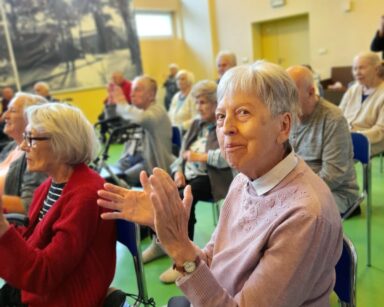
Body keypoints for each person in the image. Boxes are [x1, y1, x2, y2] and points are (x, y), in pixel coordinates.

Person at [97, 61, 343, 306]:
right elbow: (213, 261)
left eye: (243, 112)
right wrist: (167, 228)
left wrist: (179, 247)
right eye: (221, 116)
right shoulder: (243, 181)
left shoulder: (305, 215)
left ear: (284, 126)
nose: (226, 128)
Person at [0, 103, 116, 306]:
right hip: (43, 287)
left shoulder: (86, 195)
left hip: (64, 297)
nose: (23, 146)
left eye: (31, 138)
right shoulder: (50, 184)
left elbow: (44, 275)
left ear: (62, 142)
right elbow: (31, 239)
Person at [149, 80, 234, 284]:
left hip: (211, 178)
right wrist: (178, 171)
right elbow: (181, 154)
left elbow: (227, 158)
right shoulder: (196, 124)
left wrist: (200, 157)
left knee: (183, 199)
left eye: (203, 102)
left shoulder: (223, 123)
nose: (198, 107)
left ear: (215, 103)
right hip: (188, 175)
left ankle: (183, 260)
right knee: (158, 193)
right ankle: (160, 243)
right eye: (196, 103)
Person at [287, 66, 360, 215]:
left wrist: (294, 192)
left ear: (311, 92)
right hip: (298, 189)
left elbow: (333, 175)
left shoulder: (333, 119)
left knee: (296, 215)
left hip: (337, 193)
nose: (286, 101)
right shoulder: (288, 117)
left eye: (292, 94)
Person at [110, 75, 174, 186]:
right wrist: (111, 105)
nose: (131, 94)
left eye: (137, 89)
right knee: (106, 175)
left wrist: (123, 105)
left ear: (151, 95)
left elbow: (143, 118)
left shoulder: (158, 110)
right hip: (128, 159)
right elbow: (113, 124)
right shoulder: (134, 112)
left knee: (118, 181)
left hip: (148, 163)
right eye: (131, 90)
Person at [0, 92, 48, 214]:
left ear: (31, 117)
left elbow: (30, 204)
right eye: (7, 110)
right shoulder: (10, 147)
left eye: (13, 111)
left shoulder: (36, 153)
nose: (5, 115)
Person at [339, 51, 384, 155]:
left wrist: (355, 137)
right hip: (344, 137)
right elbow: (338, 114)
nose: (357, 72)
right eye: (355, 68)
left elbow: (381, 130)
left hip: (372, 140)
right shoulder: (352, 90)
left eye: (361, 68)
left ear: (376, 69)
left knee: (336, 154)